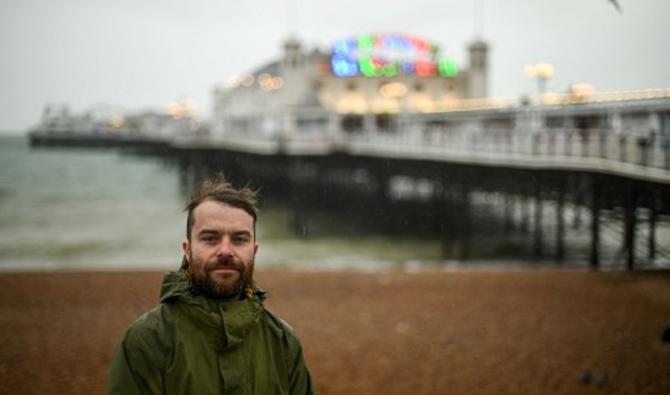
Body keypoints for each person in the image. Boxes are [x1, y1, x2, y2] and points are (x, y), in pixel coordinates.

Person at [107, 176, 316, 395]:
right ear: (187, 249)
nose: (225, 251)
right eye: (210, 238)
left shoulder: (282, 342)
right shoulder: (147, 340)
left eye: (239, 239)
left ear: (253, 251)